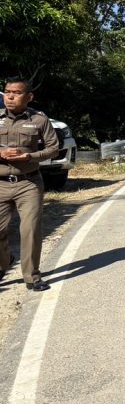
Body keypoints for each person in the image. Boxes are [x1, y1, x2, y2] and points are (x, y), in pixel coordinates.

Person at [0, 76, 59, 292]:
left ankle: (32, 276)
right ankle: (4, 262)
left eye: (16, 93)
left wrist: (30, 157)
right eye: (7, 92)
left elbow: (53, 148)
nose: (10, 97)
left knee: (30, 229)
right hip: (1, 184)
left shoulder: (39, 119)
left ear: (29, 96)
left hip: (29, 183)